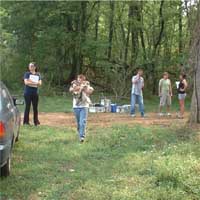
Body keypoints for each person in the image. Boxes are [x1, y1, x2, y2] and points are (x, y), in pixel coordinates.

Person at [69, 74, 94, 143]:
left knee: (82, 122)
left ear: (83, 80)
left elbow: (90, 91)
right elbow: (70, 90)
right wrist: (80, 88)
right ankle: (80, 133)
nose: (80, 80)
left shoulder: (87, 85)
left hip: (84, 106)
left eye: (81, 79)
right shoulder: (74, 84)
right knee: (78, 123)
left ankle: (82, 137)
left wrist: (84, 88)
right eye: (79, 79)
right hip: (76, 107)